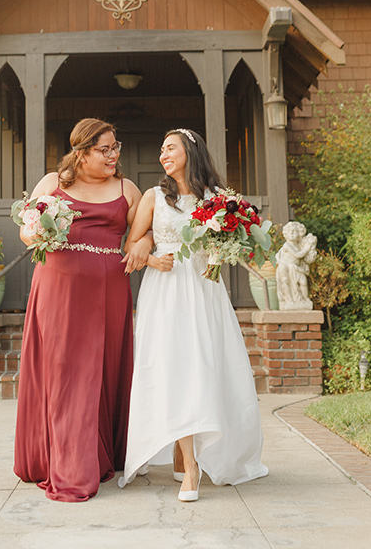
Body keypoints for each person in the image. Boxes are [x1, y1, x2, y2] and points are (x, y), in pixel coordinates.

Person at [120, 128, 268, 501]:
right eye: (161, 149)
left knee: (203, 368)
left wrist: (224, 249)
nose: (162, 155)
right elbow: (131, 244)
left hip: (204, 291)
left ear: (190, 150)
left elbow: (233, 241)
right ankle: (191, 467)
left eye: (169, 148)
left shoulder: (218, 200)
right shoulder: (154, 197)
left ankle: (185, 454)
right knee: (173, 369)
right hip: (165, 291)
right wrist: (152, 255)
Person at [14, 118, 148, 502]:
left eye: (115, 147)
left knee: (102, 370)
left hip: (109, 292)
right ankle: (68, 464)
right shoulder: (53, 184)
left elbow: (148, 227)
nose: (113, 155)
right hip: (58, 288)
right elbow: (26, 227)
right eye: (104, 149)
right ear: (82, 151)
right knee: (65, 373)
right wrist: (34, 233)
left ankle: (102, 451)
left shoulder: (127, 189)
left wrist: (146, 241)